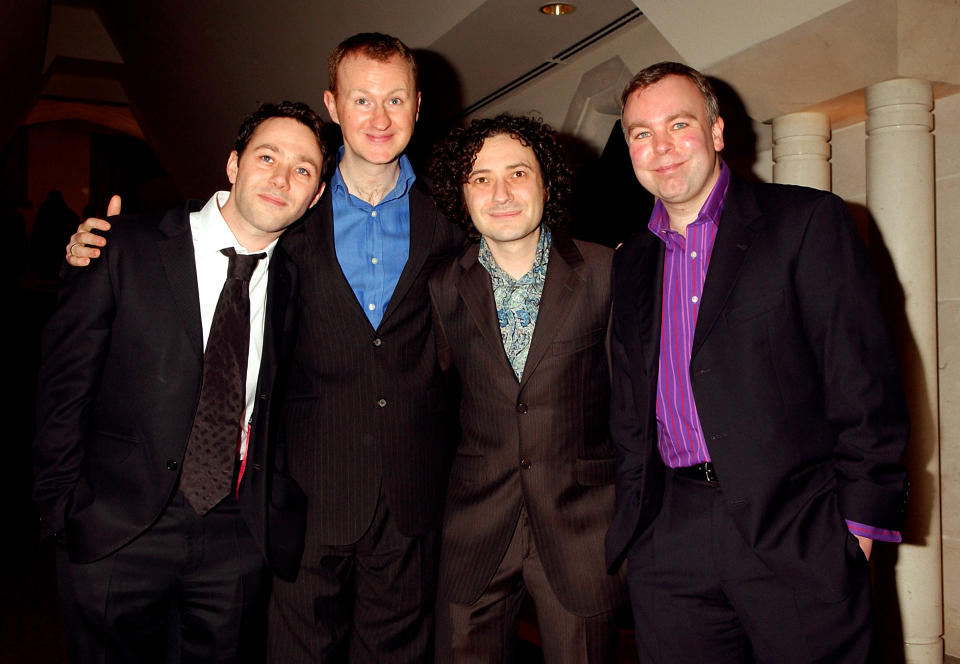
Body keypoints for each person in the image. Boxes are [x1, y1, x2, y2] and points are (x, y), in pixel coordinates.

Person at [66, 33, 462, 663]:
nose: (379, 118)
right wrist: (99, 245)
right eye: (362, 99)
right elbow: (210, 241)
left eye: (395, 99)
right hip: (301, 497)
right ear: (333, 104)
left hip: (410, 499)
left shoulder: (453, 208)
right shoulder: (292, 208)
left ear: (418, 104)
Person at [604, 61, 910, 663]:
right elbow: (630, 408)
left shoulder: (807, 222)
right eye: (641, 133)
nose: (660, 147)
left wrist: (858, 534)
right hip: (672, 536)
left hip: (797, 529)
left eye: (678, 124)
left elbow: (865, 388)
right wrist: (639, 531)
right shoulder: (630, 260)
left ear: (717, 132)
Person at [35, 101, 328, 662]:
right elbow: (61, 390)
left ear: (314, 196)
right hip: (117, 529)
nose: (281, 178)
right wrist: (62, 512)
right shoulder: (123, 246)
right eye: (267, 157)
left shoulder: (296, 283)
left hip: (234, 535)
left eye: (303, 169)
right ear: (233, 164)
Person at [427, 114, 626, 663]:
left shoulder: (605, 270)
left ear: (546, 182)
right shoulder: (443, 287)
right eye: (481, 178)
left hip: (583, 528)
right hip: (476, 530)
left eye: (518, 172)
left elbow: (632, 408)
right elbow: (438, 408)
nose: (501, 193)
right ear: (461, 194)